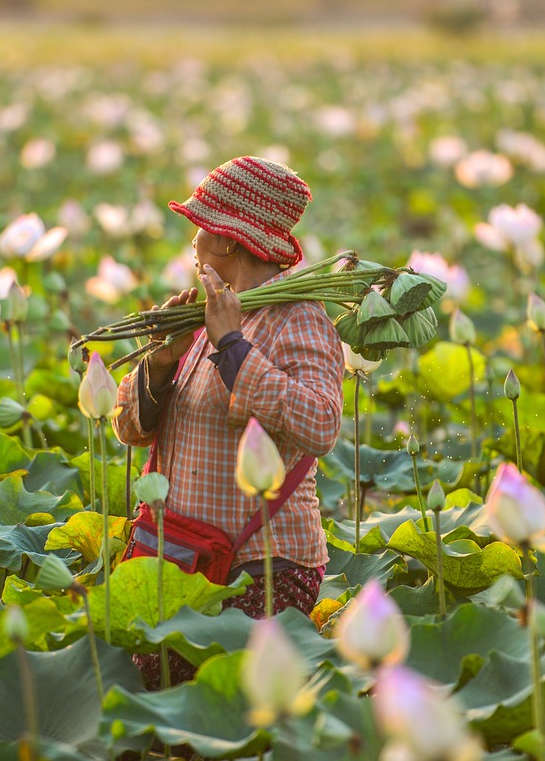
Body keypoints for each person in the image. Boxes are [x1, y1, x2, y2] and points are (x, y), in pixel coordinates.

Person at [113, 155, 343, 689]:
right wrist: (161, 362)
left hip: (262, 569)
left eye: (199, 228)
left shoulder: (299, 319)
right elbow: (129, 429)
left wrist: (233, 347)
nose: (192, 243)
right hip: (185, 556)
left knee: (218, 707)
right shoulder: (208, 314)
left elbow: (322, 425)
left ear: (228, 241)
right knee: (156, 694)